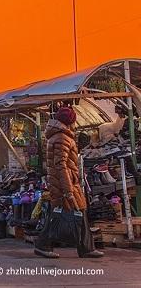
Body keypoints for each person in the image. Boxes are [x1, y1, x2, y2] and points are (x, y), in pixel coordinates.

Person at [34, 107, 104, 259]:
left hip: (64, 182)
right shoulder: (62, 138)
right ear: (70, 122)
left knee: (68, 213)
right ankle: (44, 244)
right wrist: (68, 190)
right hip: (65, 183)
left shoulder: (58, 136)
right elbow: (61, 165)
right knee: (68, 212)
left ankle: (85, 248)